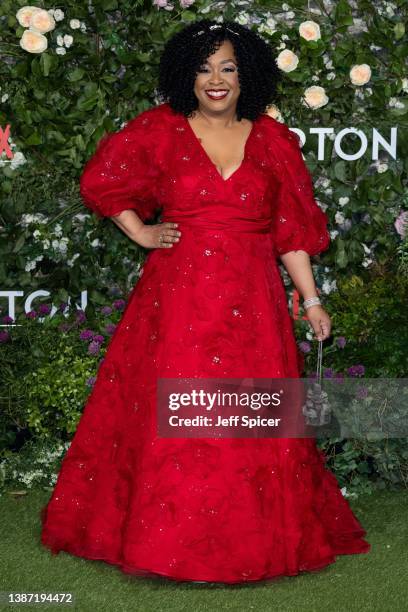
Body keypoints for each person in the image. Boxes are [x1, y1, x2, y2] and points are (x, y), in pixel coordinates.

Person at [40, 19, 370, 584]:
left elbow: (290, 232)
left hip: (253, 302)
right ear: (185, 77)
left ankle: (252, 542)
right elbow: (104, 182)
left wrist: (312, 299)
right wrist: (140, 232)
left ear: (248, 78)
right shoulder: (158, 131)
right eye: (203, 69)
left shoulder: (273, 141)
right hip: (177, 300)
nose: (215, 80)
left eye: (228, 69)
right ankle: (167, 540)